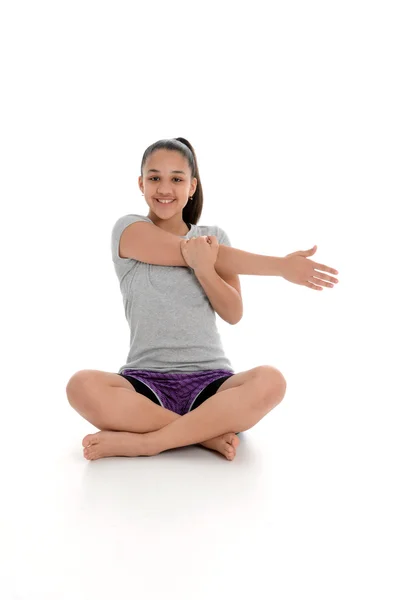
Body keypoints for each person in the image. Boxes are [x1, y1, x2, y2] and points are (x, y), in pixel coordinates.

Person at [66, 137, 326, 462]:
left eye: (176, 179)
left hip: (211, 382)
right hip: (145, 382)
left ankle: (149, 442)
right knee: (81, 385)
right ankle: (206, 436)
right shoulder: (129, 230)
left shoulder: (215, 238)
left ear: (191, 186)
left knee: (272, 381)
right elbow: (188, 252)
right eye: (154, 177)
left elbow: (233, 313)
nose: (164, 188)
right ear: (141, 183)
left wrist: (205, 269)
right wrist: (280, 266)